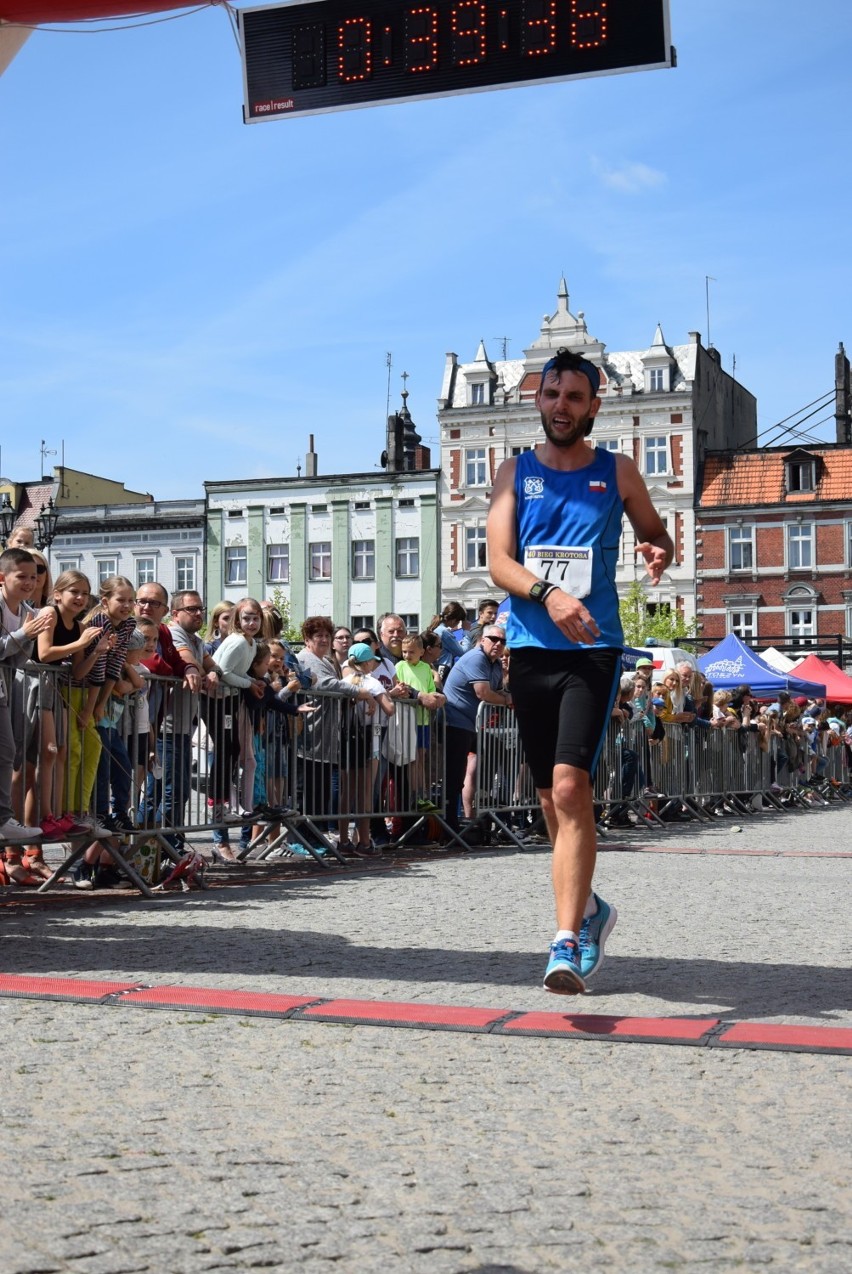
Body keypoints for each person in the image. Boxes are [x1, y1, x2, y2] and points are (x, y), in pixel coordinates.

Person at [487, 346, 673, 994]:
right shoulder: (514, 473)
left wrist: (655, 549)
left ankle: (567, 938)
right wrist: (548, 595)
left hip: (593, 652)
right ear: (537, 401)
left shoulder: (618, 473)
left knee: (571, 789)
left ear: (594, 405)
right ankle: (592, 907)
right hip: (532, 649)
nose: (560, 407)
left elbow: (657, 534)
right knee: (548, 797)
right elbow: (499, 563)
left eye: (573, 397)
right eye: (550, 395)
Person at [442, 626, 511, 835]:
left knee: (496, 750)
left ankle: (484, 806)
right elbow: (483, 693)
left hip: (473, 725)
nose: (498, 643)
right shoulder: (476, 658)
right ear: (482, 640)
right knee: (455, 775)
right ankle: (450, 828)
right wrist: (508, 700)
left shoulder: (496, 664)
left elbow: (497, 690)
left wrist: (506, 692)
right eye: (493, 639)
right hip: (455, 722)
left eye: (502, 641)